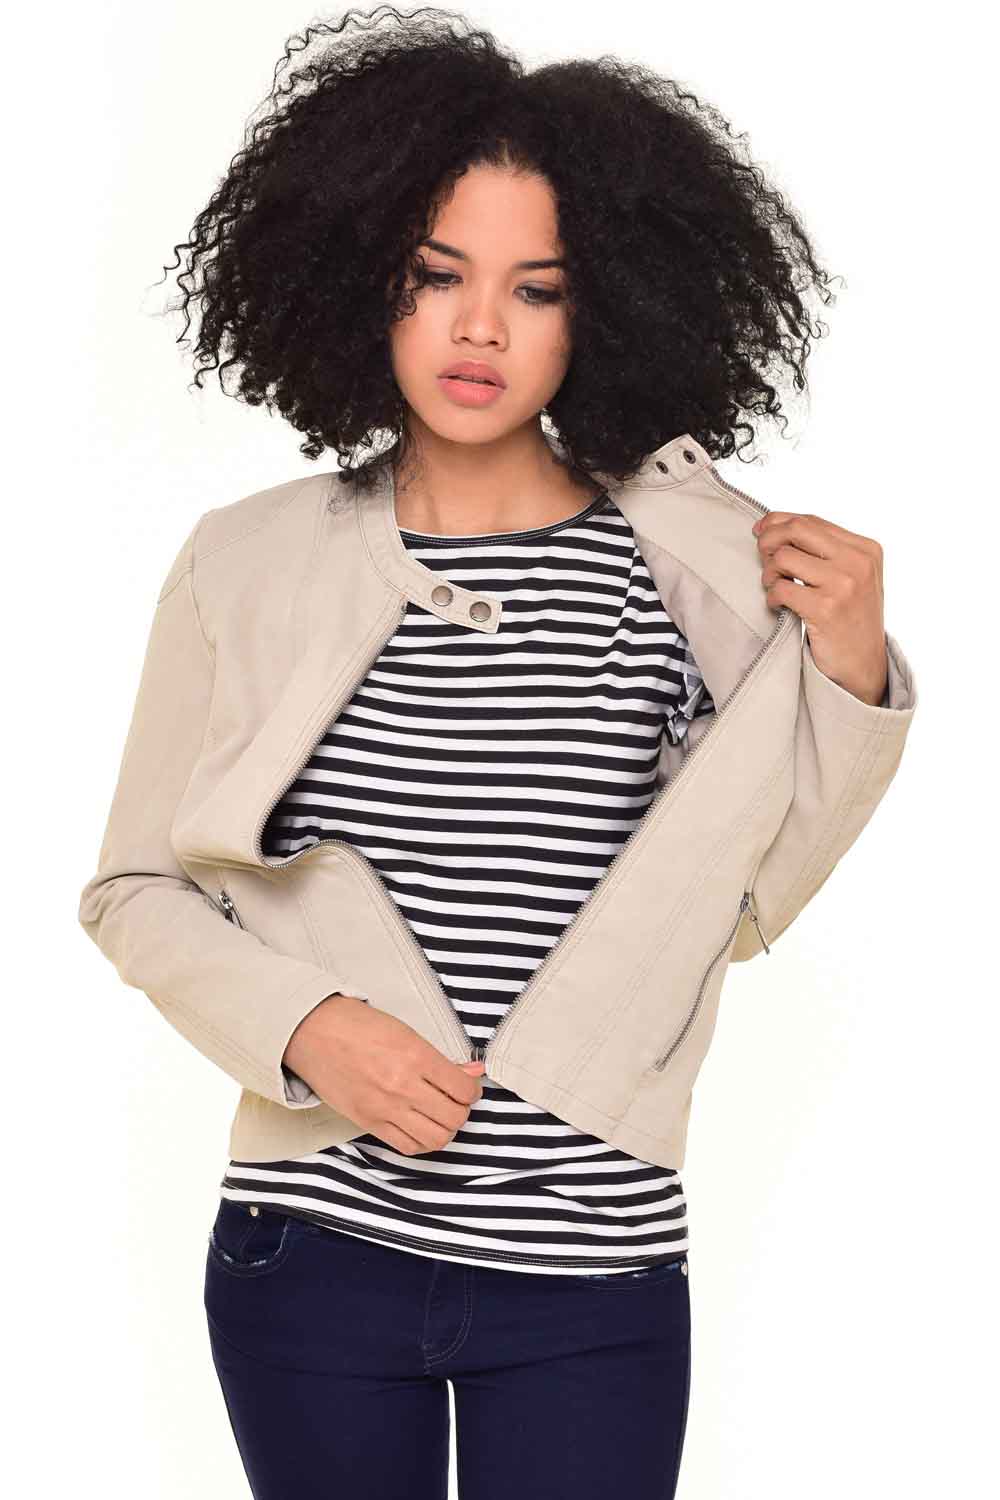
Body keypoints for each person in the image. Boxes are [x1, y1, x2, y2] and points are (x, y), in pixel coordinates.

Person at [78, 9, 917, 1497]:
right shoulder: (244, 560)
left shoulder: (691, 570)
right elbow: (135, 889)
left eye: (538, 289)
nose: (481, 329)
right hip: (310, 1252)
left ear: (609, 312)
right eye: (436, 275)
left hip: (592, 1272)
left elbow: (744, 897)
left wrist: (847, 667)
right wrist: (305, 1025)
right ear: (361, 281)